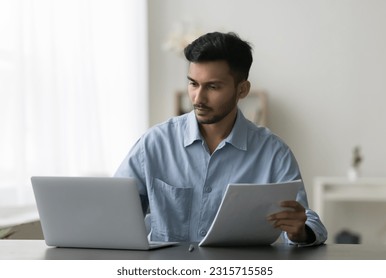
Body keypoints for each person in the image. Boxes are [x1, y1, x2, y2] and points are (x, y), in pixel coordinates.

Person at [115, 31, 327, 246]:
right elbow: (114, 211)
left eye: (213, 87)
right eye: (193, 84)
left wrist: (299, 232)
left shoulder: (274, 153)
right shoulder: (154, 143)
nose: (198, 98)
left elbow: (308, 222)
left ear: (242, 90)